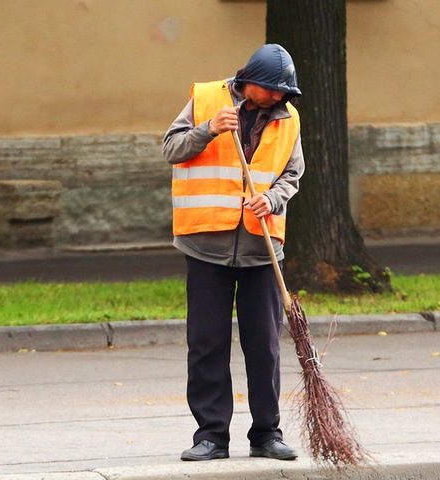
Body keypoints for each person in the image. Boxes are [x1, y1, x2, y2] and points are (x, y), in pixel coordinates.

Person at [162, 44, 304, 462]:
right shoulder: (207, 100)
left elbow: (292, 173)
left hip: (262, 247)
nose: (279, 98)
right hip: (206, 243)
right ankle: (211, 436)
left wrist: (273, 200)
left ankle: (266, 434)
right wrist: (207, 128)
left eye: (284, 93)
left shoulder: (289, 117)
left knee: (264, 345)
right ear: (251, 81)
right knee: (206, 343)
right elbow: (171, 150)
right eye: (273, 91)